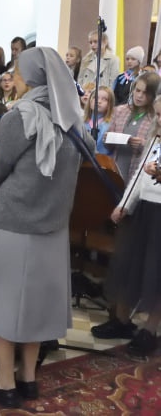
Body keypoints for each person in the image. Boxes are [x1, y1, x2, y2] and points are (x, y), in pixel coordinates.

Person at [0, 47, 93, 408]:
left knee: (3, 306)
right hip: (53, 229)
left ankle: (5, 384)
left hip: (16, 228)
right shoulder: (73, 120)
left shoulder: (20, 116)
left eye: (20, 71)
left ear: (33, 76)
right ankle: (28, 379)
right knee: (36, 307)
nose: (15, 75)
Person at [92, 95, 161, 356]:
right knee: (130, 266)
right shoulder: (155, 140)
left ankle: (150, 330)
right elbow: (138, 176)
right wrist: (124, 204)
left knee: (156, 272)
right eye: (157, 115)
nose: (159, 120)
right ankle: (122, 320)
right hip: (143, 208)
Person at [103, 71, 159, 181]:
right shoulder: (120, 111)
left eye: (146, 93)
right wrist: (108, 138)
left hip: (138, 174)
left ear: (154, 95)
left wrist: (143, 144)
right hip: (116, 170)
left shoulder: (156, 118)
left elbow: (157, 151)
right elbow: (108, 145)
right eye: (137, 90)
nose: (139, 96)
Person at [83, 87, 115, 155]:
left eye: (104, 99)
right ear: (90, 100)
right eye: (95, 97)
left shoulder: (111, 124)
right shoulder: (81, 121)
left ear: (109, 104)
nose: (99, 101)